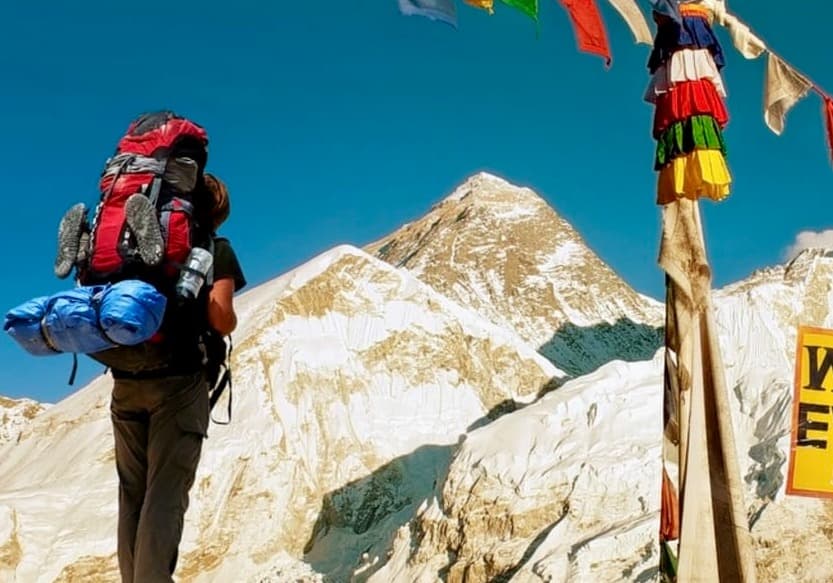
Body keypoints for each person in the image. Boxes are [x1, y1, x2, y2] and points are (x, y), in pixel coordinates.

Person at [109, 173, 246, 583]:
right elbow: (220, 317)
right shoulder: (214, 248)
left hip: (126, 377)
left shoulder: (137, 248)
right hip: (179, 381)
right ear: (217, 212)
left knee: (132, 495)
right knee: (165, 494)